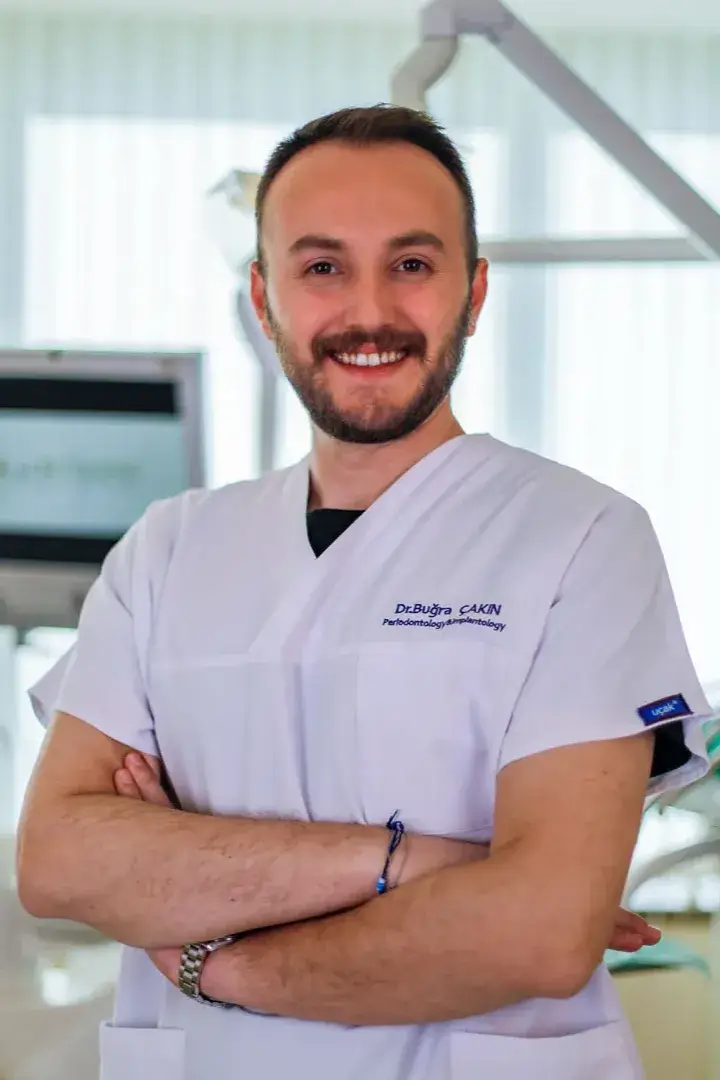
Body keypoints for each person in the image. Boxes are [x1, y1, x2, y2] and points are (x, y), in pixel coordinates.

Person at [16, 105, 711, 1080]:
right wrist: (419, 862)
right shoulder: (166, 553)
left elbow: (543, 933)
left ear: (474, 292)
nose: (370, 310)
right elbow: (58, 863)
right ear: (264, 298)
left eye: (412, 263)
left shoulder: (582, 540)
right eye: (322, 266)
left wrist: (219, 961)